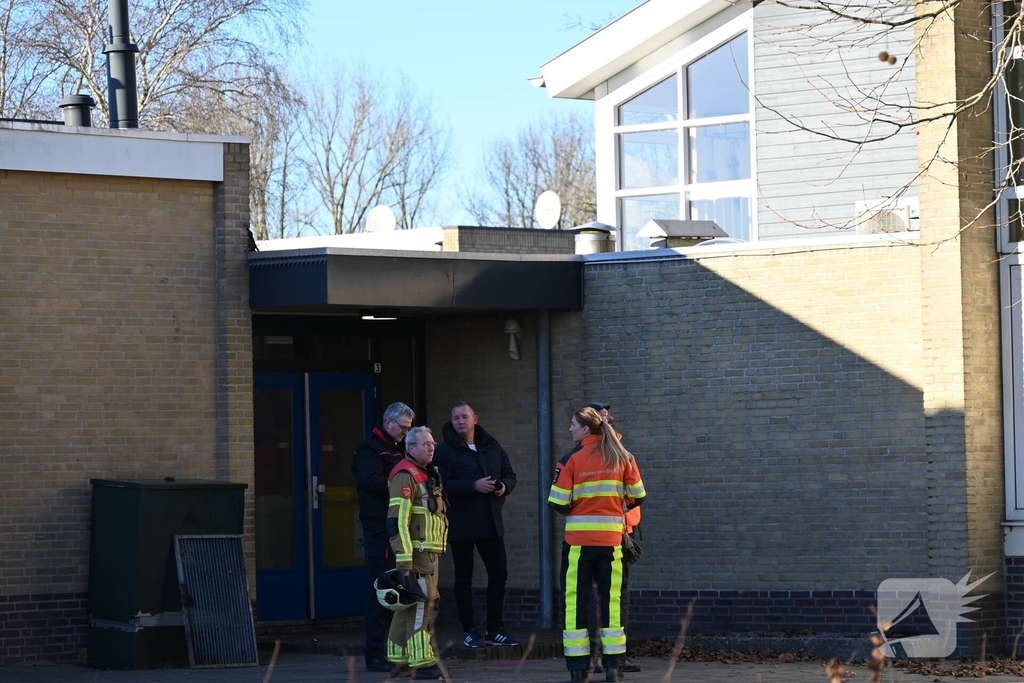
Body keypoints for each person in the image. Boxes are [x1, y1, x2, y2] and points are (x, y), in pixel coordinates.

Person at [548, 407, 646, 683]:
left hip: (579, 545)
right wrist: (614, 506)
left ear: (586, 430)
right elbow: (637, 496)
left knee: (574, 604)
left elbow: (557, 503)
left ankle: (578, 670)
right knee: (612, 604)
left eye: (573, 425)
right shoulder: (622, 456)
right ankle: (613, 668)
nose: (570, 429)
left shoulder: (571, 459)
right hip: (612, 543)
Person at [433, 401, 520, 648]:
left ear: (475, 419)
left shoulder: (491, 446)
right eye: (455, 418)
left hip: (490, 521)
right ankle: (469, 630)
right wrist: (473, 486)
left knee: (499, 573)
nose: (459, 421)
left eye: (464, 417)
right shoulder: (445, 451)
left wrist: (504, 487)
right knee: (464, 577)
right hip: (461, 523)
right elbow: (441, 485)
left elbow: (509, 474)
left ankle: (495, 629)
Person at [351, 402, 414, 673]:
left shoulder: (400, 447)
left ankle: (394, 650)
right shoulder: (370, 450)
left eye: (409, 429)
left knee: (397, 589)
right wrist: (401, 483)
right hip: (380, 527)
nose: (405, 432)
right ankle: (374, 654)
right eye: (402, 427)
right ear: (388, 423)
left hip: (399, 526)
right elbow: (370, 482)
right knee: (382, 588)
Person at [583, 402, 641, 675]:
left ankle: (613, 656)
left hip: (619, 532)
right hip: (603, 537)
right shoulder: (592, 454)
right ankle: (603, 657)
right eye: (605, 416)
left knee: (616, 597)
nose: (611, 419)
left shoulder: (618, 452)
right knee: (603, 597)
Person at [386, 426, 448, 679]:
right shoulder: (405, 475)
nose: (431, 447)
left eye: (433, 443)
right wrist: (404, 558)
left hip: (428, 553)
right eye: (426, 444)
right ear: (411, 448)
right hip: (418, 555)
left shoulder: (426, 474)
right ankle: (423, 664)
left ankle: (399, 659)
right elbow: (396, 520)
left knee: (408, 607)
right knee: (423, 606)